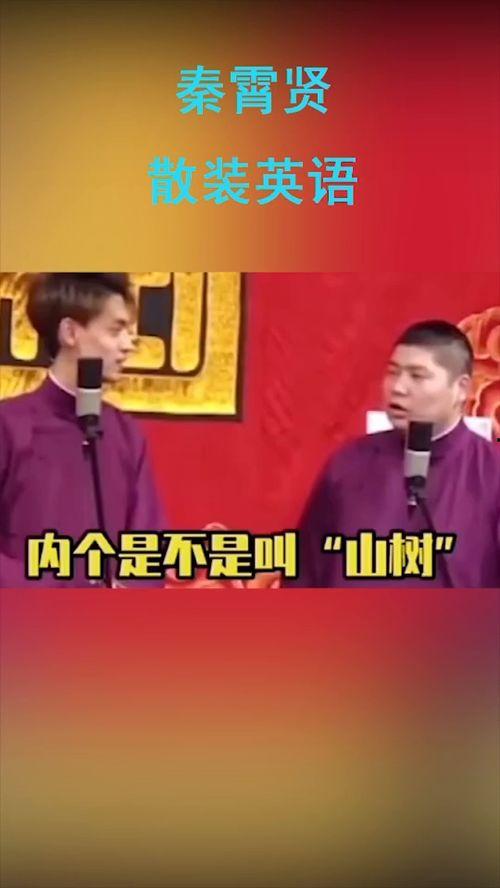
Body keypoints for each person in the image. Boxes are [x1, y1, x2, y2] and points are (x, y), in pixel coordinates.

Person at [287, 320, 500, 588]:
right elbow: (305, 570)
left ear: (462, 389)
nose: (398, 387)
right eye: (392, 372)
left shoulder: (492, 475)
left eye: (417, 376)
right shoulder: (348, 465)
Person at [0, 273, 167, 587]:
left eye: (129, 332)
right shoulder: (9, 425)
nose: (128, 345)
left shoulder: (126, 434)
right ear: (70, 332)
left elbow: (149, 545)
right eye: (116, 330)